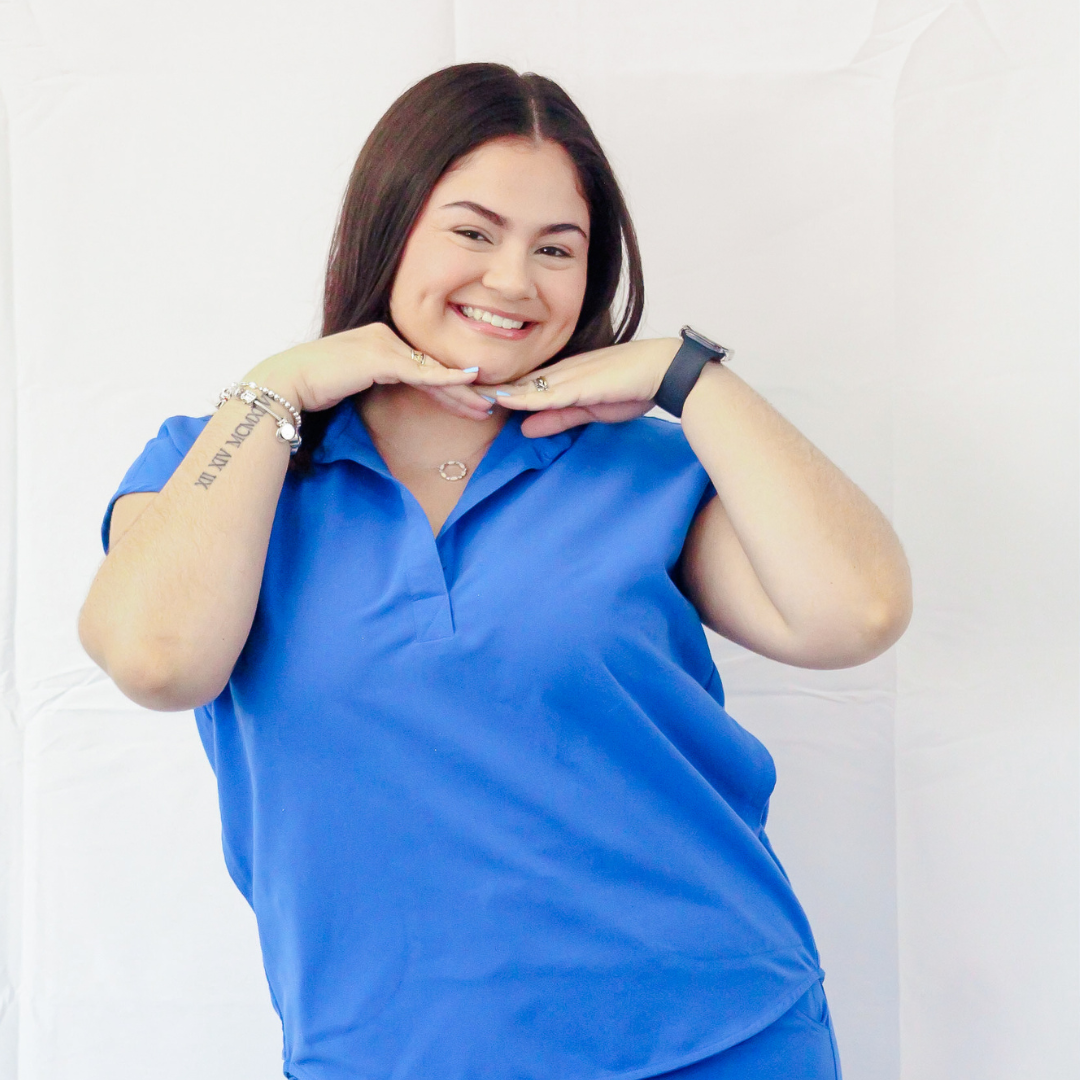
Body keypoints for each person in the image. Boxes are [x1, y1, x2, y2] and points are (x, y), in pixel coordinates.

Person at [78, 63, 911, 1080]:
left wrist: (685, 380)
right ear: (388, 228)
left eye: (556, 249)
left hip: (719, 1040)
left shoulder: (646, 473)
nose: (515, 281)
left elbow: (856, 613)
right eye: (473, 232)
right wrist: (274, 388)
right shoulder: (222, 465)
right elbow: (159, 660)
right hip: (387, 1057)